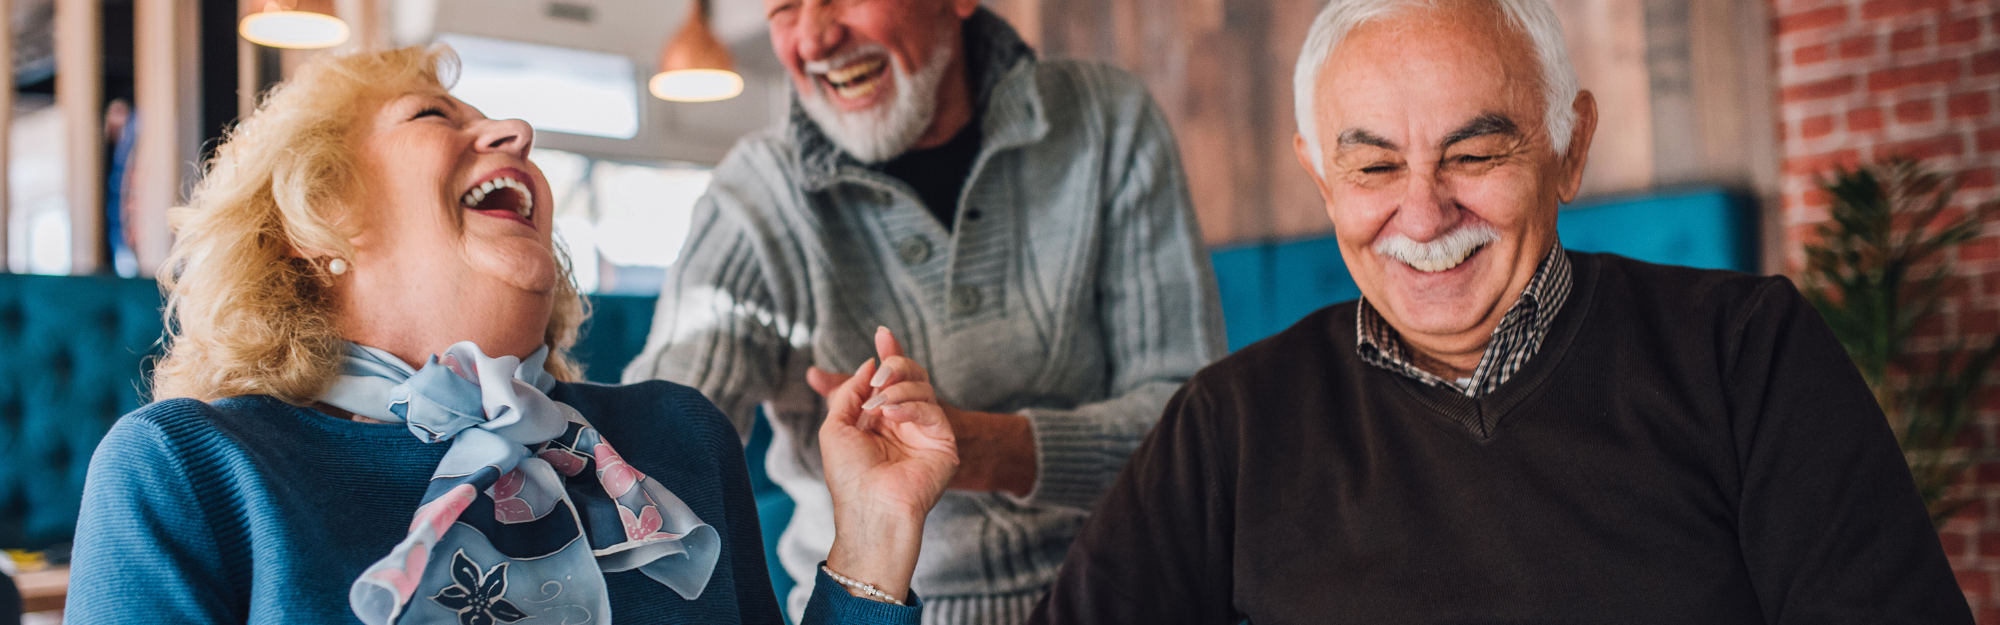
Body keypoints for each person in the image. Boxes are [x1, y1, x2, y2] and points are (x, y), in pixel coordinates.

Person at [1028, 0, 1974, 622]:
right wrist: (875, 569)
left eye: (1475, 155)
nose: (1425, 212)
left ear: (1571, 146)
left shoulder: (1743, 353)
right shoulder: (1232, 423)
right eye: (1373, 167)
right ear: (1322, 178)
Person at [64, 46, 960, 625]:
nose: (516, 133)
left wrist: (875, 536)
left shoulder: (679, 437)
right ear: (320, 215)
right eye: (431, 117)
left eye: (499, 125)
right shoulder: (185, 471)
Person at [623, 0, 1223, 622]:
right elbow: (654, 447)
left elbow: (1193, 433)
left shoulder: (1107, 122)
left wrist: (974, 448)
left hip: (1119, 595)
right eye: (783, 8)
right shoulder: (755, 196)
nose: (815, 37)